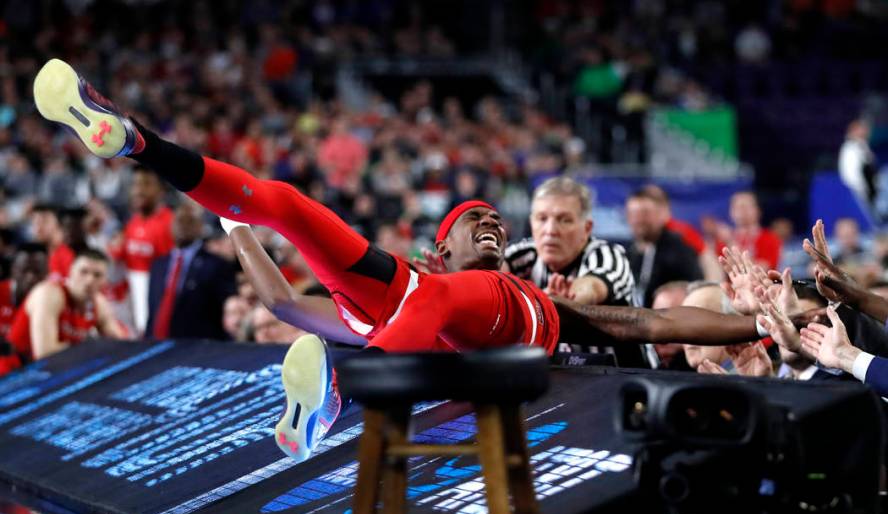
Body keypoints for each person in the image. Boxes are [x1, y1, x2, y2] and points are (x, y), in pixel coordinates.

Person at [34, 58, 559, 463]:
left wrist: (238, 228)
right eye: (476, 221)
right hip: (404, 320)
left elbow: (283, 304)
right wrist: (238, 228)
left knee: (293, 215)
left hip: (427, 336)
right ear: (442, 250)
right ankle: (136, 141)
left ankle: (139, 143)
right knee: (283, 202)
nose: (492, 225)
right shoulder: (403, 291)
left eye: (496, 222)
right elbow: (282, 302)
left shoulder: (493, 289)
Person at [504, 176, 650, 366]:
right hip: (559, 379)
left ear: (587, 228)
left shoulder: (607, 254)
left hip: (625, 377)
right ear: (531, 223)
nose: (550, 230)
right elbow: (489, 280)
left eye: (564, 220)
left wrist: (567, 301)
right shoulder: (522, 254)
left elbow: (592, 286)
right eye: (542, 218)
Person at [7, 248, 125, 361]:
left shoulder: (99, 303)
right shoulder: (49, 294)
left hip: (52, 374)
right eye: (83, 272)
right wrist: (91, 347)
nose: (89, 280)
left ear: (105, 281)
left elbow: (121, 345)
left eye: (97, 275)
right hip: (11, 374)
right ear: (71, 272)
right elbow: (44, 353)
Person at [145, 199, 236, 340]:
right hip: (156, 346)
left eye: (189, 221)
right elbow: (153, 311)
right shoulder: (158, 265)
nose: (183, 226)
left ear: (200, 227)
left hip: (197, 348)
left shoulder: (217, 265)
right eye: (179, 221)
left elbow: (224, 314)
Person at [109, 166, 175, 335]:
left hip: (158, 300)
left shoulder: (170, 224)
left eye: (146, 184)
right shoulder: (132, 224)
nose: (139, 190)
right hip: (132, 303)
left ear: (161, 190)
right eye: (136, 184)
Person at [626, 188, 702, 307]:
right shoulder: (629, 252)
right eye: (632, 214)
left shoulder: (679, 249)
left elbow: (695, 289)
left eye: (645, 213)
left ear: (661, 215)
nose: (637, 220)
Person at [0, 244, 48, 375]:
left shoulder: (51, 303)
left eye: (37, 272)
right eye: (24, 270)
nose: (30, 278)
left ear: (47, 273)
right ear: (13, 271)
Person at [728, 191, 781, 270]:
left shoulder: (770, 238)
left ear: (759, 210)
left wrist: (730, 241)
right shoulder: (722, 240)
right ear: (731, 212)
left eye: (746, 206)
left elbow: (763, 268)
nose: (742, 211)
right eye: (737, 207)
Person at [838, 119, 877, 209]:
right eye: (862, 129)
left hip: (869, 191)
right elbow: (850, 174)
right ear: (854, 131)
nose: (866, 131)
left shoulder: (863, 146)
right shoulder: (849, 148)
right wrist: (860, 190)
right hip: (858, 192)